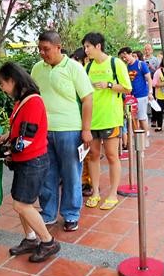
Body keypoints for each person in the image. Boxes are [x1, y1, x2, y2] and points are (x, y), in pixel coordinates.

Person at [0, 62, 60, 263]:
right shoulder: (23, 100)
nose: (2, 89)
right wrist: (7, 137)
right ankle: (30, 239)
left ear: (12, 80)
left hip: (32, 161)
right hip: (27, 161)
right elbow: (24, 132)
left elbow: (25, 141)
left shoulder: (33, 102)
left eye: (2, 84)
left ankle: (48, 241)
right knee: (21, 201)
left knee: (20, 205)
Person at [31, 31, 94, 231]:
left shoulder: (74, 67)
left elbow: (87, 99)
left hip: (70, 130)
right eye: (40, 49)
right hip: (43, 130)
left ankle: (71, 214)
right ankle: (48, 213)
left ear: (59, 47)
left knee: (71, 174)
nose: (42, 53)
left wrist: (86, 129)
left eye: (46, 49)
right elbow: (33, 97)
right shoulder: (37, 69)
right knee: (46, 173)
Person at [83, 32, 132, 211]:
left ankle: (112, 194)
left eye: (88, 46)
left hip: (111, 118)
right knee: (93, 156)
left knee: (112, 156)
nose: (86, 50)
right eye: (85, 47)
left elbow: (127, 88)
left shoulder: (115, 63)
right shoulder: (87, 67)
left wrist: (109, 85)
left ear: (98, 46)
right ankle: (95, 192)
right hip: (92, 120)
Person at [69, 47, 93, 197]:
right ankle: (81, 180)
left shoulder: (85, 73)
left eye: (76, 60)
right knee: (79, 152)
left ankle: (87, 182)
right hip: (75, 119)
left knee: (87, 153)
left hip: (88, 120)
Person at [119, 47, 153, 146]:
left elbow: (149, 79)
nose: (124, 59)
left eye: (125, 56)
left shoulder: (140, 64)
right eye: (122, 58)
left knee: (142, 117)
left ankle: (145, 138)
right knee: (133, 119)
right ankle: (138, 139)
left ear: (130, 54)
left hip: (141, 95)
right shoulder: (126, 67)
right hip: (131, 97)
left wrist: (150, 92)